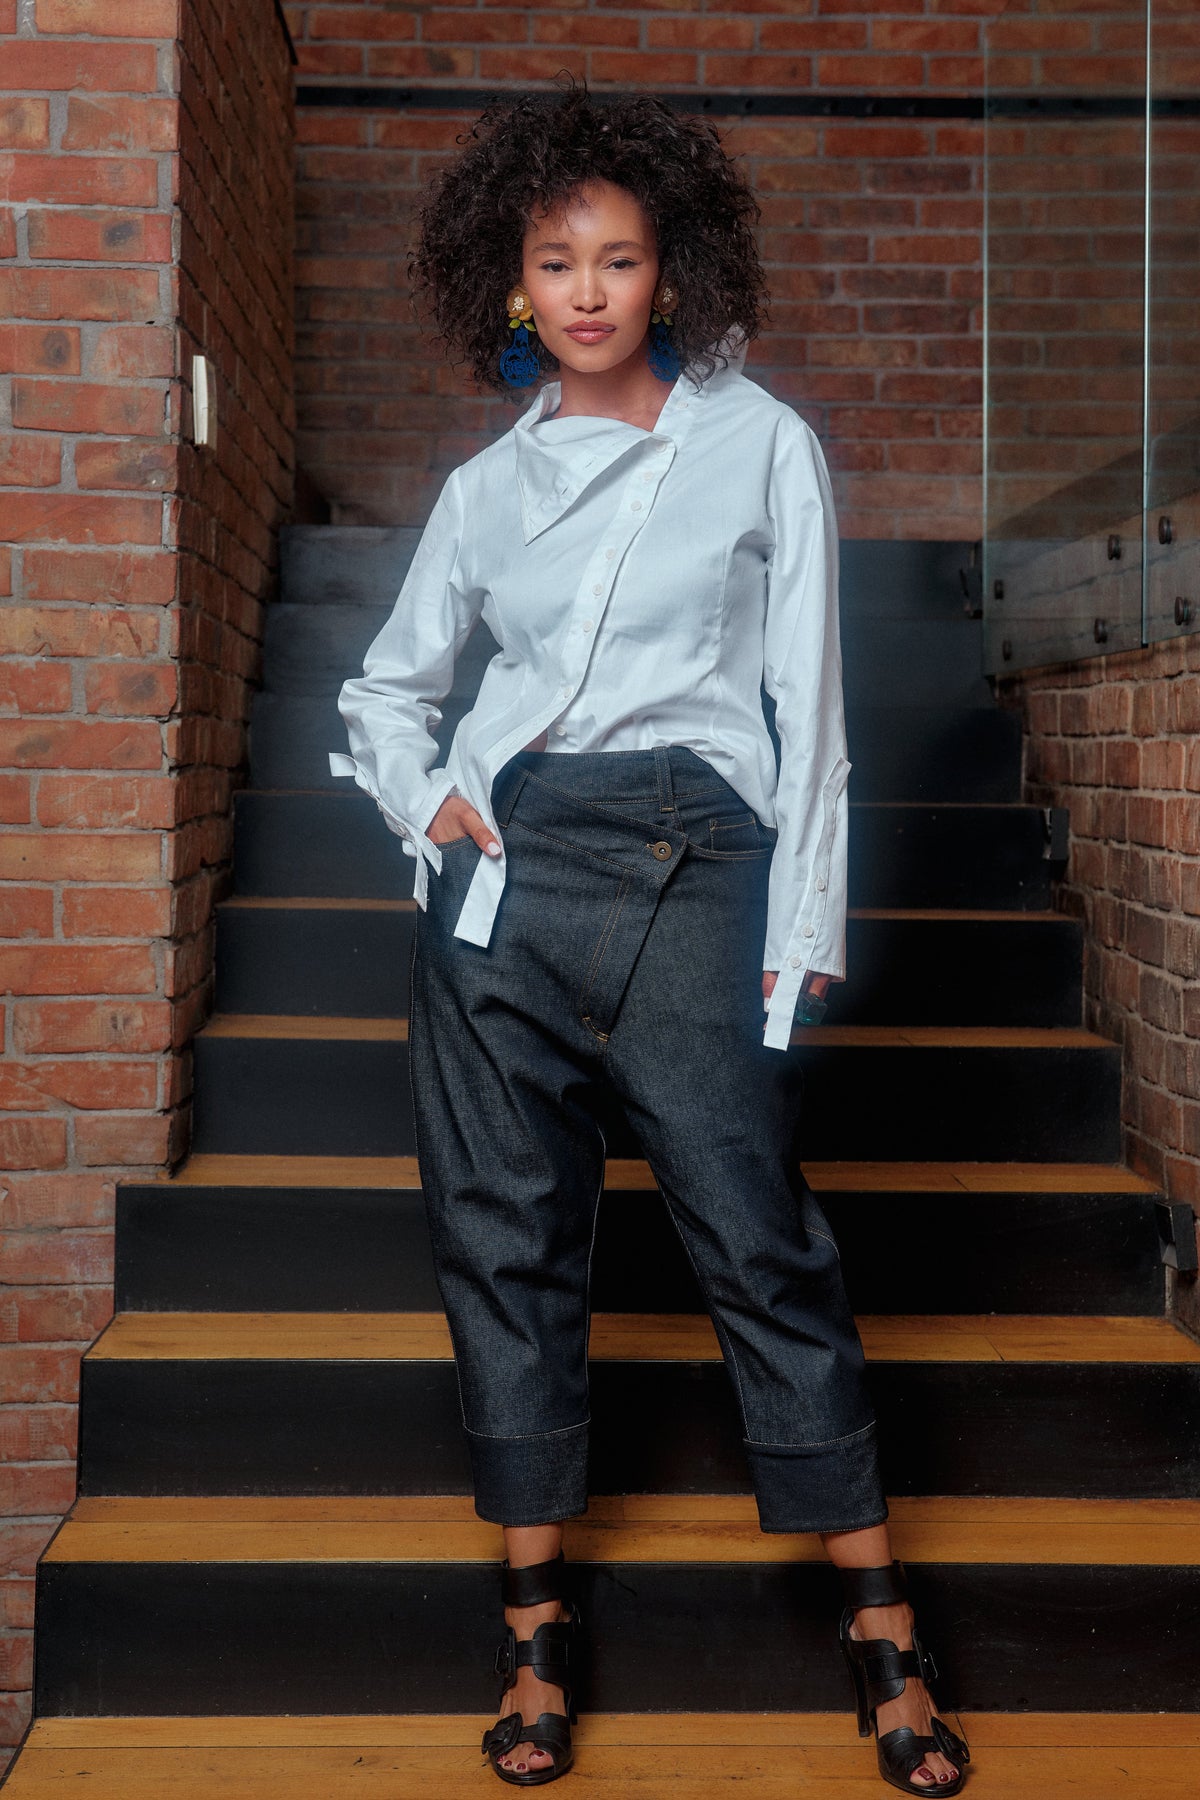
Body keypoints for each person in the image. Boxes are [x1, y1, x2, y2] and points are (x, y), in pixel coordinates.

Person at [331, 75, 970, 1796]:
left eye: (619, 258)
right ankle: (536, 1630)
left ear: (667, 272)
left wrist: (803, 919)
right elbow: (386, 692)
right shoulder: (487, 488)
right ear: (514, 283)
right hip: (505, 885)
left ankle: (881, 1621)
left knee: (756, 1234)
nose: (591, 290)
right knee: (504, 1242)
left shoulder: (759, 442)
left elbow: (811, 707)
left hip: (700, 865)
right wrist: (427, 806)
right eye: (558, 262)